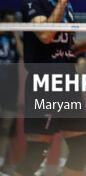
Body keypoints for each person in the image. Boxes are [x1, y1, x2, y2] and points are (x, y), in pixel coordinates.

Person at [16, 0, 86, 176]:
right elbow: (45, 35)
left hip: (68, 82)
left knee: (81, 149)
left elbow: (65, 48)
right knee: (37, 153)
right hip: (45, 81)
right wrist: (63, 2)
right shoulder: (32, 2)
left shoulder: (68, 7)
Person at [0, 9, 21, 176]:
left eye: (13, 21)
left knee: (5, 127)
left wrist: (14, 32)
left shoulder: (16, 39)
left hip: (11, 89)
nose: (10, 23)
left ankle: (0, 164)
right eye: (8, 21)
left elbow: (22, 54)